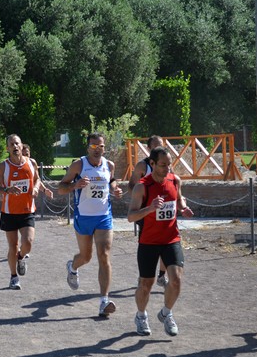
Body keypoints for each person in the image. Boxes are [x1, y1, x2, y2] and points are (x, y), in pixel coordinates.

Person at [127, 146, 193, 336]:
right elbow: (131, 216)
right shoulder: (142, 186)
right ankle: (141, 316)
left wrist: (184, 208)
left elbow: (178, 200)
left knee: (176, 280)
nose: (167, 169)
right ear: (153, 163)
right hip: (148, 241)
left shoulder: (175, 180)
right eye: (163, 165)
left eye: (169, 165)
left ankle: (166, 313)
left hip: (171, 238)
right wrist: (150, 208)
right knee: (146, 283)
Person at [58, 132, 123, 317]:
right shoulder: (79, 165)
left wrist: (114, 189)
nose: (97, 150)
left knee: (104, 255)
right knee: (86, 257)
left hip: (103, 217)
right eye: (94, 146)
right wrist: (74, 185)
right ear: (88, 148)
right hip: (83, 217)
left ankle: (104, 301)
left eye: (100, 146)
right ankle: (72, 267)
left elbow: (111, 181)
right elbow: (61, 188)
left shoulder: (109, 165)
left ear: (104, 147)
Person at [0, 134, 42, 290]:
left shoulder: (31, 163)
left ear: (21, 145)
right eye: (11, 144)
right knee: (13, 245)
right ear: (7, 148)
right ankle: (13, 277)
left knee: (28, 243)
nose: (15, 146)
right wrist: (7, 189)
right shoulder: (3, 167)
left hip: (27, 210)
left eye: (17, 143)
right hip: (9, 212)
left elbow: (37, 179)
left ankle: (20, 257)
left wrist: (37, 187)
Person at [128, 135, 169, 288]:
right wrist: (141, 199)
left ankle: (162, 275)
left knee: (167, 242)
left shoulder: (166, 164)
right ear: (148, 149)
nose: (159, 148)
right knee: (148, 244)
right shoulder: (142, 166)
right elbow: (131, 185)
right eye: (156, 146)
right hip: (146, 212)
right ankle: (145, 274)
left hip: (164, 210)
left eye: (161, 145)